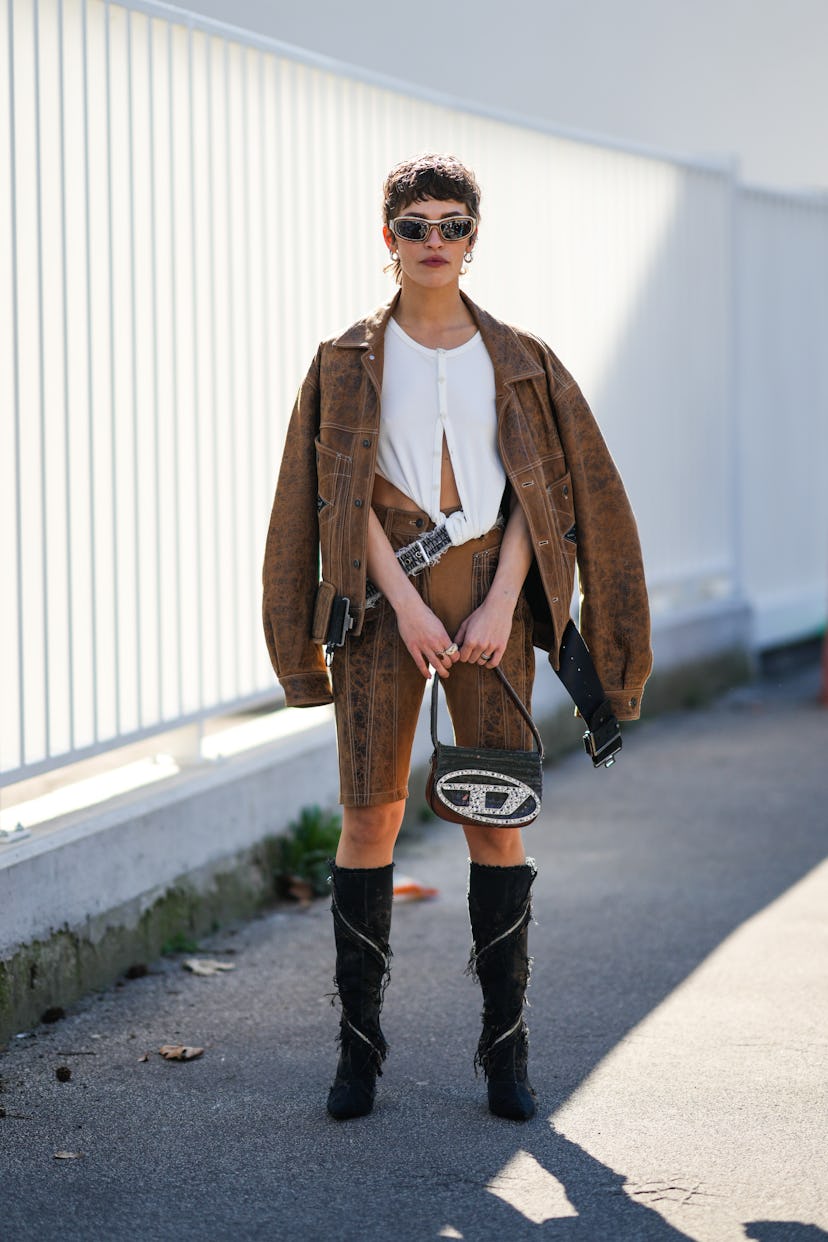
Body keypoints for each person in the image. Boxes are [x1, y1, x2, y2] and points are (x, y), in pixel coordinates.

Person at [262, 154, 652, 1123]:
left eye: (452, 225)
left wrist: (500, 599)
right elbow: (331, 499)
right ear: (385, 239)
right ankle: (359, 1057)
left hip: (489, 594)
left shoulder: (519, 358)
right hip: (379, 595)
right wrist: (401, 601)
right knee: (372, 816)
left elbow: (549, 491)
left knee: (494, 812)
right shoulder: (346, 360)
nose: (433, 242)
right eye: (414, 226)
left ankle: (505, 1055)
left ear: (475, 240)